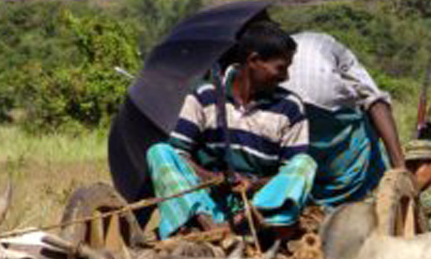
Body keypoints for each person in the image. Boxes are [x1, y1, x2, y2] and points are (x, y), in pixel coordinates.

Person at [149, 20, 314, 239]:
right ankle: (205, 224)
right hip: (208, 202)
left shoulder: (290, 107)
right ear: (254, 61)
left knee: (304, 164)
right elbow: (179, 153)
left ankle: (249, 222)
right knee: (159, 152)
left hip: (258, 206)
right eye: (281, 67)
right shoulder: (205, 96)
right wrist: (213, 178)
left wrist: (253, 185)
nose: (286, 77)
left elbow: (288, 172)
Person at [282, 31, 406, 209]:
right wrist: (400, 168)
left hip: (291, 115)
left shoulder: (272, 53)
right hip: (334, 122)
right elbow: (376, 102)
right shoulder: (333, 46)